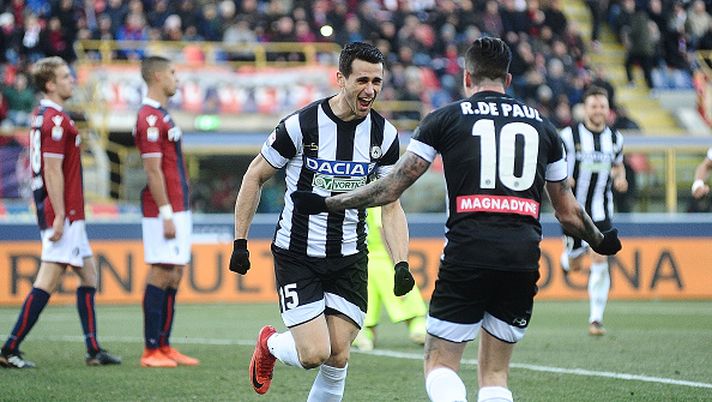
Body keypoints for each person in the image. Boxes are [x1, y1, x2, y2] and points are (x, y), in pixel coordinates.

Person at [291, 37, 622, 402]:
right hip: (522, 257)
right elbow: (568, 212)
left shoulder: (446, 119)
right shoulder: (544, 128)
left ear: (467, 78)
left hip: (468, 252)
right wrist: (600, 239)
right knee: (495, 375)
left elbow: (392, 187)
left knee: (440, 364)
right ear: (508, 80)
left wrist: (328, 203)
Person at [229, 42, 412, 400]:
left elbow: (391, 204)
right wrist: (240, 241)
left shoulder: (385, 136)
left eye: (377, 81)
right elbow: (254, 176)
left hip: (349, 257)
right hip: (298, 255)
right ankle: (270, 344)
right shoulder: (301, 125)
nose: (370, 90)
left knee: (338, 355)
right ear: (340, 78)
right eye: (362, 80)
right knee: (314, 353)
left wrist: (401, 263)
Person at [0, 57, 121, 368]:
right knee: (48, 277)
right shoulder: (54, 120)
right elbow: (53, 170)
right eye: (65, 76)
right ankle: (9, 348)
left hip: (64, 210)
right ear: (50, 84)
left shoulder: (45, 116)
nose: (72, 80)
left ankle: (93, 349)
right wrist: (59, 216)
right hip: (61, 212)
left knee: (88, 273)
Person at [134, 56, 199, 368]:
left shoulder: (162, 114)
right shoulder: (147, 117)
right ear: (158, 76)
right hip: (163, 209)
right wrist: (165, 212)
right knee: (161, 271)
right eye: (173, 73)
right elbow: (153, 170)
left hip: (178, 205)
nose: (177, 78)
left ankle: (164, 345)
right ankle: (150, 350)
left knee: (174, 274)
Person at [559, 86, 628, 337]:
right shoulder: (568, 136)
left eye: (602, 106)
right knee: (575, 265)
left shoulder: (615, 138)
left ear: (608, 109)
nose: (598, 110)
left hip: (601, 210)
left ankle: (596, 319)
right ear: (585, 109)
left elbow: (618, 166)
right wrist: (564, 178)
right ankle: (567, 259)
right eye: (594, 106)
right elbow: (555, 165)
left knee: (600, 258)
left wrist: (620, 178)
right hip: (573, 210)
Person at [352, 206, 427, 351]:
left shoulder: (359, 203)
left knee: (367, 309)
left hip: (365, 260)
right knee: (406, 298)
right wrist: (397, 260)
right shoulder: (378, 202)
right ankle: (419, 330)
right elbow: (384, 228)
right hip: (383, 259)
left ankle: (364, 336)